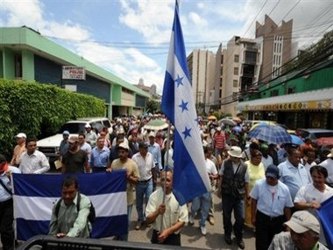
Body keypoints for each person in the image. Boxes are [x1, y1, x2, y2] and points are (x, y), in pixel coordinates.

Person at [250, 165, 293, 250]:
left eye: (272, 178)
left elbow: (287, 207)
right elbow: (253, 200)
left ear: (278, 178)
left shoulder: (284, 189)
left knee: (275, 243)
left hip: (278, 221)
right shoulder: (259, 184)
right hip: (262, 218)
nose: (269, 180)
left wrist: (289, 224)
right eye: (267, 177)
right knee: (261, 243)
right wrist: (253, 217)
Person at [145, 170, 188, 246]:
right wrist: (157, 212)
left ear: (173, 181)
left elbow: (183, 220)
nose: (165, 183)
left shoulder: (180, 197)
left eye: (168, 180)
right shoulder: (154, 196)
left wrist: (168, 232)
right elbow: (148, 220)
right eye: (162, 180)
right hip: (157, 235)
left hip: (173, 237)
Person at [108, 142, 139, 241]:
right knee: (117, 220)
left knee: (125, 222)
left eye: (122, 152)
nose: (120, 154)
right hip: (116, 199)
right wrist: (108, 172)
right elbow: (111, 179)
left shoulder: (132, 164)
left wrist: (128, 177)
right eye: (119, 152)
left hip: (127, 198)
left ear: (127, 152)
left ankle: (124, 242)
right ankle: (118, 236)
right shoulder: (114, 163)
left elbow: (137, 181)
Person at [219, 146, 249, 249]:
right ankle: (227, 234)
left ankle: (238, 236)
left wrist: (247, 195)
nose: (230, 157)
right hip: (227, 193)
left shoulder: (244, 166)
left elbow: (246, 182)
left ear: (238, 157)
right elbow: (221, 176)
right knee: (226, 215)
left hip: (239, 195)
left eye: (232, 156)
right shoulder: (225, 163)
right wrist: (218, 189)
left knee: (241, 217)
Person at [189, 147, 218, 236]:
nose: (206, 155)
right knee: (195, 206)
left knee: (205, 209)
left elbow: (216, 174)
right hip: (197, 188)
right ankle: (192, 215)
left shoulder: (211, 164)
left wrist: (212, 177)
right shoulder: (195, 163)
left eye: (206, 154)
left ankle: (202, 224)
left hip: (207, 189)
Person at [132, 142, 155, 230]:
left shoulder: (150, 155)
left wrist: (155, 179)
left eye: (147, 148)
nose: (146, 150)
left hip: (149, 181)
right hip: (139, 183)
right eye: (144, 148)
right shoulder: (135, 157)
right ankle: (140, 219)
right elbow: (132, 170)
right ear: (140, 149)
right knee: (139, 202)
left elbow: (153, 167)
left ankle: (147, 219)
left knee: (149, 200)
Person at [0, 154, 21, 250]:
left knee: (6, 228)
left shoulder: (14, 171)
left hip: (8, 202)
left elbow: (20, 189)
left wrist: (10, 179)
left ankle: (8, 247)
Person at [244, 149, 265, 228]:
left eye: (260, 158)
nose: (258, 160)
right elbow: (243, 180)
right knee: (247, 211)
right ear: (251, 157)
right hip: (249, 192)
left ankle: (256, 225)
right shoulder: (246, 165)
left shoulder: (262, 165)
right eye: (256, 158)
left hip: (260, 193)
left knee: (257, 210)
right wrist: (247, 194)